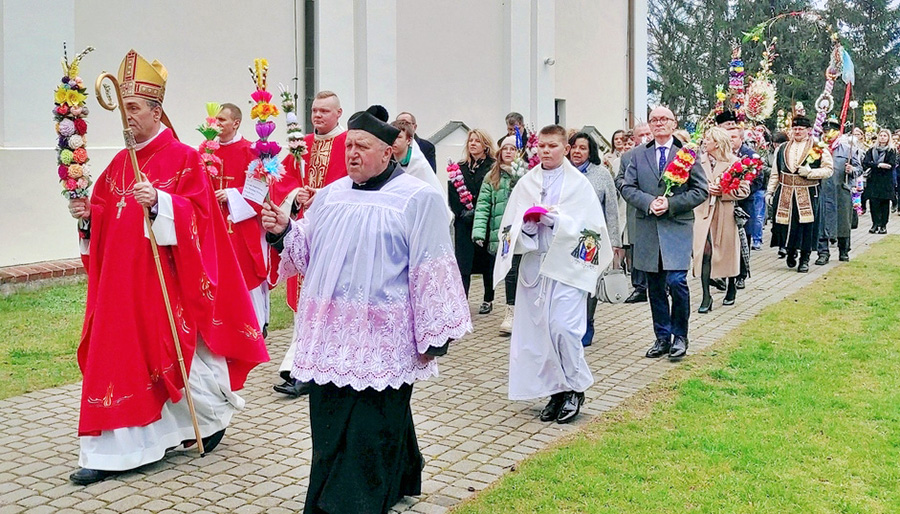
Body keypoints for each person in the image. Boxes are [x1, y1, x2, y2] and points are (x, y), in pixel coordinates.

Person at [66, 50, 269, 485]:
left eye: (134, 108)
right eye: (123, 108)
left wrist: (161, 203)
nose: (128, 117)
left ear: (157, 110)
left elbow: (202, 219)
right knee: (121, 358)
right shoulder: (120, 163)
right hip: (121, 286)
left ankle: (208, 421)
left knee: (173, 359)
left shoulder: (181, 157)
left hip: (164, 285)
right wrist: (86, 214)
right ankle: (118, 448)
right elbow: (104, 216)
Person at [261, 109, 470, 514]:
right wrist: (282, 230)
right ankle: (394, 477)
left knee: (371, 431)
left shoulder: (417, 198)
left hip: (383, 338)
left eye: (362, 147)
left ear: (388, 152)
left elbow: (433, 266)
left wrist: (436, 334)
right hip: (329, 335)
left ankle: (349, 505)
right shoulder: (331, 195)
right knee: (330, 424)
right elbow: (306, 252)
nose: (351, 154)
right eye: (349, 146)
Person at [494, 124, 613, 424]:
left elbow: (591, 229)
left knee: (563, 328)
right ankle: (556, 391)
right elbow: (509, 228)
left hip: (568, 268)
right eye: (542, 146)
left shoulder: (579, 185)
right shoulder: (527, 183)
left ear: (565, 148)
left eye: (552, 146)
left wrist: (557, 222)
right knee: (539, 333)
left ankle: (576, 388)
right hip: (536, 266)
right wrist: (529, 227)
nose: (546, 151)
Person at [270, 90, 348, 398]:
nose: (318, 116)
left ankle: (305, 366)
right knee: (306, 300)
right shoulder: (301, 144)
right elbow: (283, 181)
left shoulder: (348, 144)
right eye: (315, 111)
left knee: (325, 300)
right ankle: (299, 365)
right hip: (303, 234)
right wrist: (295, 195)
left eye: (325, 112)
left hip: (334, 234)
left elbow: (352, 184)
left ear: (338, 114)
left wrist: (322, 195)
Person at [621, 106, 708, 361]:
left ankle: (680, 336)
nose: (658, 123)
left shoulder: (687, 154)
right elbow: (627, 187)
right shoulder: (637, 155)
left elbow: (700, 190)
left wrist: (670, 204)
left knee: (676, 282)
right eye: (654, 120)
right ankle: (662, 337)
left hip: (676, 227)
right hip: (648, 227)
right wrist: (649, 202)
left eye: (663, 119)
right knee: (655, 287)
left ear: (673, 123)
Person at [212, 103, 270, 334]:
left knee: (245, 271)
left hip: (242, 226)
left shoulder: (252, 151)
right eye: (215, 119)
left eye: (222, 120)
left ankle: (253, 326)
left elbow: (259, 192)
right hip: (214, 224)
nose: (217, 124)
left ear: (236, 123)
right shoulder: (206, 152)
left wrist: (230, 194)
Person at [568, 132, 622, 345]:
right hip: (566, 237)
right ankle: (571, 323)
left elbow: (611, 210)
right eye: (574, 147)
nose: (578, 152)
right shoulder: (563, 173)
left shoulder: (601, 174)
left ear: (590, 151)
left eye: (583, 148)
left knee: (587, 281)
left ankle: (587, 323)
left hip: (591, 238)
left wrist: (614, 241)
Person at [766, 116, 834, 271]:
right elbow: (776, 173)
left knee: (806, 226)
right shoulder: (782, 148)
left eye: (800, 129)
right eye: (795, 129)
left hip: (808, 192)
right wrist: (770, 191)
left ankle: (805, 258)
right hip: (786, 191)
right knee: (785, 224)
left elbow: (829, 170)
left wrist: (811, 172)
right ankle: (790, 251)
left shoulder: (817, 147)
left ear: (808, 130)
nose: (797, 131)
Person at [693, 127, 748, 312]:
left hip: (725, 213)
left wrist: (724, 192)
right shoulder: (698, 162)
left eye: (708, 138)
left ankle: (731, 287)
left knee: (727, 252)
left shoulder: (735, 163)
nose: (704, 141)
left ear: (717, 142)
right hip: (702, 213)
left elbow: (744, 190)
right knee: (704, 252)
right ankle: (706, 296)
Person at [472, 136, 519, 335]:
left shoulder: (526, 174)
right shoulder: (492, 176)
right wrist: (479, 231)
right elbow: (483, 206)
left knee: (523, 273)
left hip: (523, 232)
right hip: (503, 234)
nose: (508, 152)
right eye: (505, 149)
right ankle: (511, 312)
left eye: (513, 149)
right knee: (510, 273)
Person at [450, 129, 497, 313]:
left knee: (487, 262)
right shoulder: (460, 167)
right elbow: (453, 191)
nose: (473, 144)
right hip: (464, 222)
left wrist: (479, 211)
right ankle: (463, 300)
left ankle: (488, 298)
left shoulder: (493, 166)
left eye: (477, 141)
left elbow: (493, 191)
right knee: (463, 262)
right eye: (471, 141)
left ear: (485, 145)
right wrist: (461, 212)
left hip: (485, 220)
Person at [614, 123, 652, 303]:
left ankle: (662, 285)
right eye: (641, 134)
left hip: (659, 208)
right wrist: (629, 190)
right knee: (636, 248)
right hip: (636, 208)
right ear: (634, 138)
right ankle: (639, 287)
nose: (645, 137)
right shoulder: (628, 157)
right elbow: (619, 180)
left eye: (647, 133)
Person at [816, 118, 861, 263]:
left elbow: (859, 168)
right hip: (822, 190)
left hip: (841, 189)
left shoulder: (848, 149)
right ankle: (823, 252)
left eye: (831, 131)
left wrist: (852, 169)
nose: (827, 134)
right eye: (825, 131)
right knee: (822, 221)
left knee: (843, 221)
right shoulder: (817, 150)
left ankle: (844, 250)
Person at [391, 119, 448, 213]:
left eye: (398, 137)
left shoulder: (419, 166)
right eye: (391, 137)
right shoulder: (387, 162)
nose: (394, 141)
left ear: (408, 140)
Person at [862, 129, 897, 234]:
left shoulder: (891, 151)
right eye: (881, 135)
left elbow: (891, 164)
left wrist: (878, 165)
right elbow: (866, 162)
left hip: (886, 180)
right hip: (874, 179)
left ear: (888, 138)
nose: (882, 137)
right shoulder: (871, 150)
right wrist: (878, 165)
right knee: (873, 203)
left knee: (884, 203)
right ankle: (875, 224)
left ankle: (883, 225)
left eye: (885, 136)